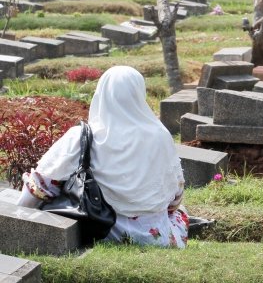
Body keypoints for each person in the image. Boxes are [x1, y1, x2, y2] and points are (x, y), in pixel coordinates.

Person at [18, 66, 189, 248]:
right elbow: (175, 198)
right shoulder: (160, 135)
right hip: (157, 237)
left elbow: (41, 186)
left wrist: (18, 212)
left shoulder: (82, 136)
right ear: (140, 92)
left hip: (103, 228)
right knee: (180, 214)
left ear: (101, 93)